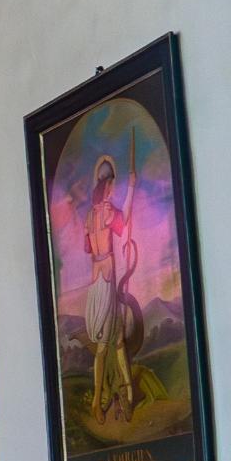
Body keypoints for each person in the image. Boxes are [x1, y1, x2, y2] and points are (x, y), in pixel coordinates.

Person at [81, 146, 138, 424]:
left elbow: (86, 246)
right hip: (106, 281)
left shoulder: (90, 216)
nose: (113, 189)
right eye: (113, 184)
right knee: (106, 344)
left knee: (116, 342)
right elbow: (124, 221)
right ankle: (97, 402)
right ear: (106, 186)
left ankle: (128, 396)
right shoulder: (106, 211)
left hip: (97, 279)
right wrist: (132, 191)